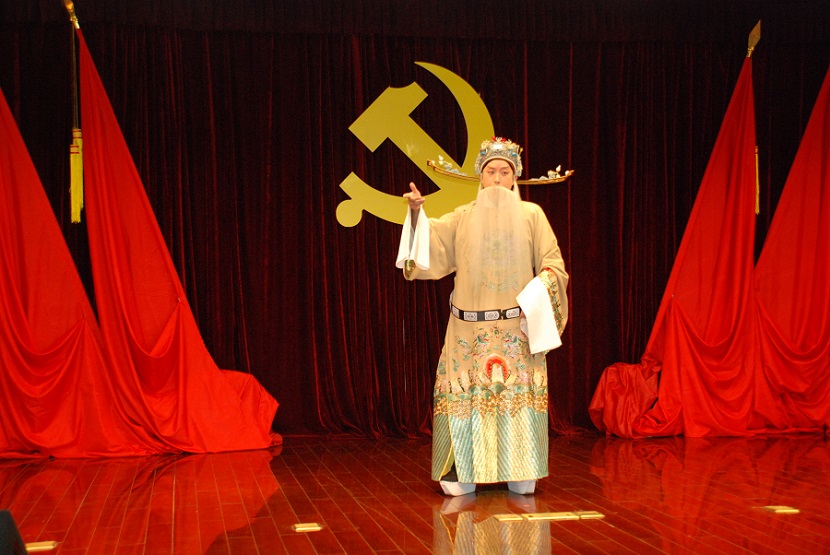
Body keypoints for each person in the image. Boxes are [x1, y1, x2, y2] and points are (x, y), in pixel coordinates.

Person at [396, 137, 569, 496]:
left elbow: (554, 265)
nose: (497, 179)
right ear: (481, 177)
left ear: (515, 178)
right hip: (467, 329)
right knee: (465, 393)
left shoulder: (532, 216)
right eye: (491, 172)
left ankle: (521, 466)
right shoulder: (462, 217)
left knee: (515, 394)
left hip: (516, 328)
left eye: (505, 172)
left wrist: (539, 293)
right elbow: (428, 250)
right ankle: (461, 470)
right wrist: (414, 214)